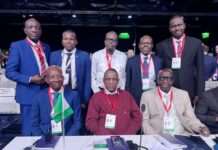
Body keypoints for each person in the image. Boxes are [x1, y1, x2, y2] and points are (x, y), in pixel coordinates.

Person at [6, 18, 51, 136]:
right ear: (25, 30)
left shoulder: (46, 47)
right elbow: (10, 72)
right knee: (29, 128)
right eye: (30, 27)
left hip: (46, 92)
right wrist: (30, 79)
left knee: (45, 125)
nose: (34, 29)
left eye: (37, 27)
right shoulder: (17, 46)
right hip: (29, 94)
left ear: (40, 30)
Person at [140, 68, 210, 136]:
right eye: (162, 78)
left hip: (182, 135)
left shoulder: (183, 94)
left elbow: (190, 118)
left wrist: (200, 127)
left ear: (173, 81)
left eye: (169, 78)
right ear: (158, 80)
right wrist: (157, 137)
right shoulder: (147, 96)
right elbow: (144, 122)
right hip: (159, 136)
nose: (165, 81)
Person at [50, 30, 91, 134]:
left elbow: (87, 79)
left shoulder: (84, 56)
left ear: (76, 41)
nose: (68, 41)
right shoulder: (54, 55)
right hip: (59, 93)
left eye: (71, 39)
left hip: (76, 94)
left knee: (77, 122)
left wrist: (85, 100)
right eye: (65, 39)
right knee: (60, 121)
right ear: (62, 41)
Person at [156, 15, 205, 104]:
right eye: (173, 26)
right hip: (168, 89)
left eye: (179, 25)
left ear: (184, 26)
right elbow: (159, 70)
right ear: (170, 29)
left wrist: (199, 93)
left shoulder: (196, 43)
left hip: (190, 90)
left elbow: (200, 70)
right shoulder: (161, 46)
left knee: (187, 117)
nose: (177, 28)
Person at [86, 68, 141, 135]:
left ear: (118, 81)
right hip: (103, 137)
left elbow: (138, 116)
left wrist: (129, 133)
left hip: (126, 137)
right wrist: (104, 134)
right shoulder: (96, 98)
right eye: (108, 79)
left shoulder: (127, 96)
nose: (111, 82)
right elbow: (90, 121)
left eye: (114, 79)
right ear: (103, 80)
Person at [31, 66, 81, 135]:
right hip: (45, 137)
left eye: (59, 76)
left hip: (67, 136)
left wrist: (68, 138)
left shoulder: (73, 95)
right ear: (47, 80)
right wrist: (43, 139)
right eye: (52, 77)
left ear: (63, 78)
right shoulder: (38, 97)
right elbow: (34, 124)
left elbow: (77, 122)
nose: (57, 79)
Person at [125, 35, 163, 105]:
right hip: (136, 96)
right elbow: (128, 82)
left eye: (148, 43)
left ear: (152, 46)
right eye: (143, 43)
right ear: (139, 46)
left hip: (154, 95)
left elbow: (161, 80)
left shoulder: (159, 61)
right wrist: (127, 97)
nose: (145, 45)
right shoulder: (131, 61)